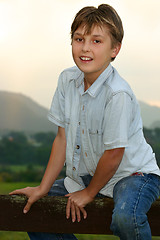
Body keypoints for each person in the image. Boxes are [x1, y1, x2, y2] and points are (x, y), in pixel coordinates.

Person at [10, 4, 160, 240]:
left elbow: (114, 154)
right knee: (35, 210)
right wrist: (43, 188)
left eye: (97, 41)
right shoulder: (67, 80)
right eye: (79, 39)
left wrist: (90, 193)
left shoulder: (117, 94)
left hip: (133, 176)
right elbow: (62, 139)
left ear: (115, 49)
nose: (85, 48)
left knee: (125, 217)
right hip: (84, 179)